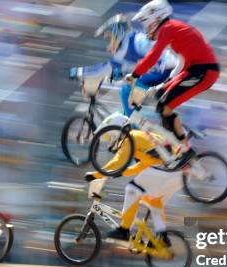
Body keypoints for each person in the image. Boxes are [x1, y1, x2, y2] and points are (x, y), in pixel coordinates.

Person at [127, 0, 219, 153]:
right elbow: (181, 63)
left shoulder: (167, 28)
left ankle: (183, 148)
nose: (146, 28)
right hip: (196, 70)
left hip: (203, 71)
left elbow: (153, 55)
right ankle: (173, 139)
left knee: (165, 106)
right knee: (160, 95)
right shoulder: (173, 30)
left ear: (156, 18)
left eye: (146, 23)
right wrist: (164, 84)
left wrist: (135, 74)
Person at [84, 116, 184, 245]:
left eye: (109, 136)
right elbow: (141, 166)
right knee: (153, 200)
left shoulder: (130, 138)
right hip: (178, 172)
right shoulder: (140, 137)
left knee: (132, 189)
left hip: (168, 169)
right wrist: (121, 172)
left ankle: (124, 230)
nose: (109, 141)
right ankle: (162, 236)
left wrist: (95, 175)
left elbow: (117, 161)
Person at [70, 14, 178, 116]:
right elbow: (132, 65)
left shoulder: (127, 44)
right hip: (166, 69)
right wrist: (119, 72)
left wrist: (80, 72)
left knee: (126, 91)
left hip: (163, 70)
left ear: (118, 33)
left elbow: (104, 69)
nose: (110, 42)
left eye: (110, 37)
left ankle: (134, 129)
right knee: (129, 106)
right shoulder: (133, 39)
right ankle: (133, 121)